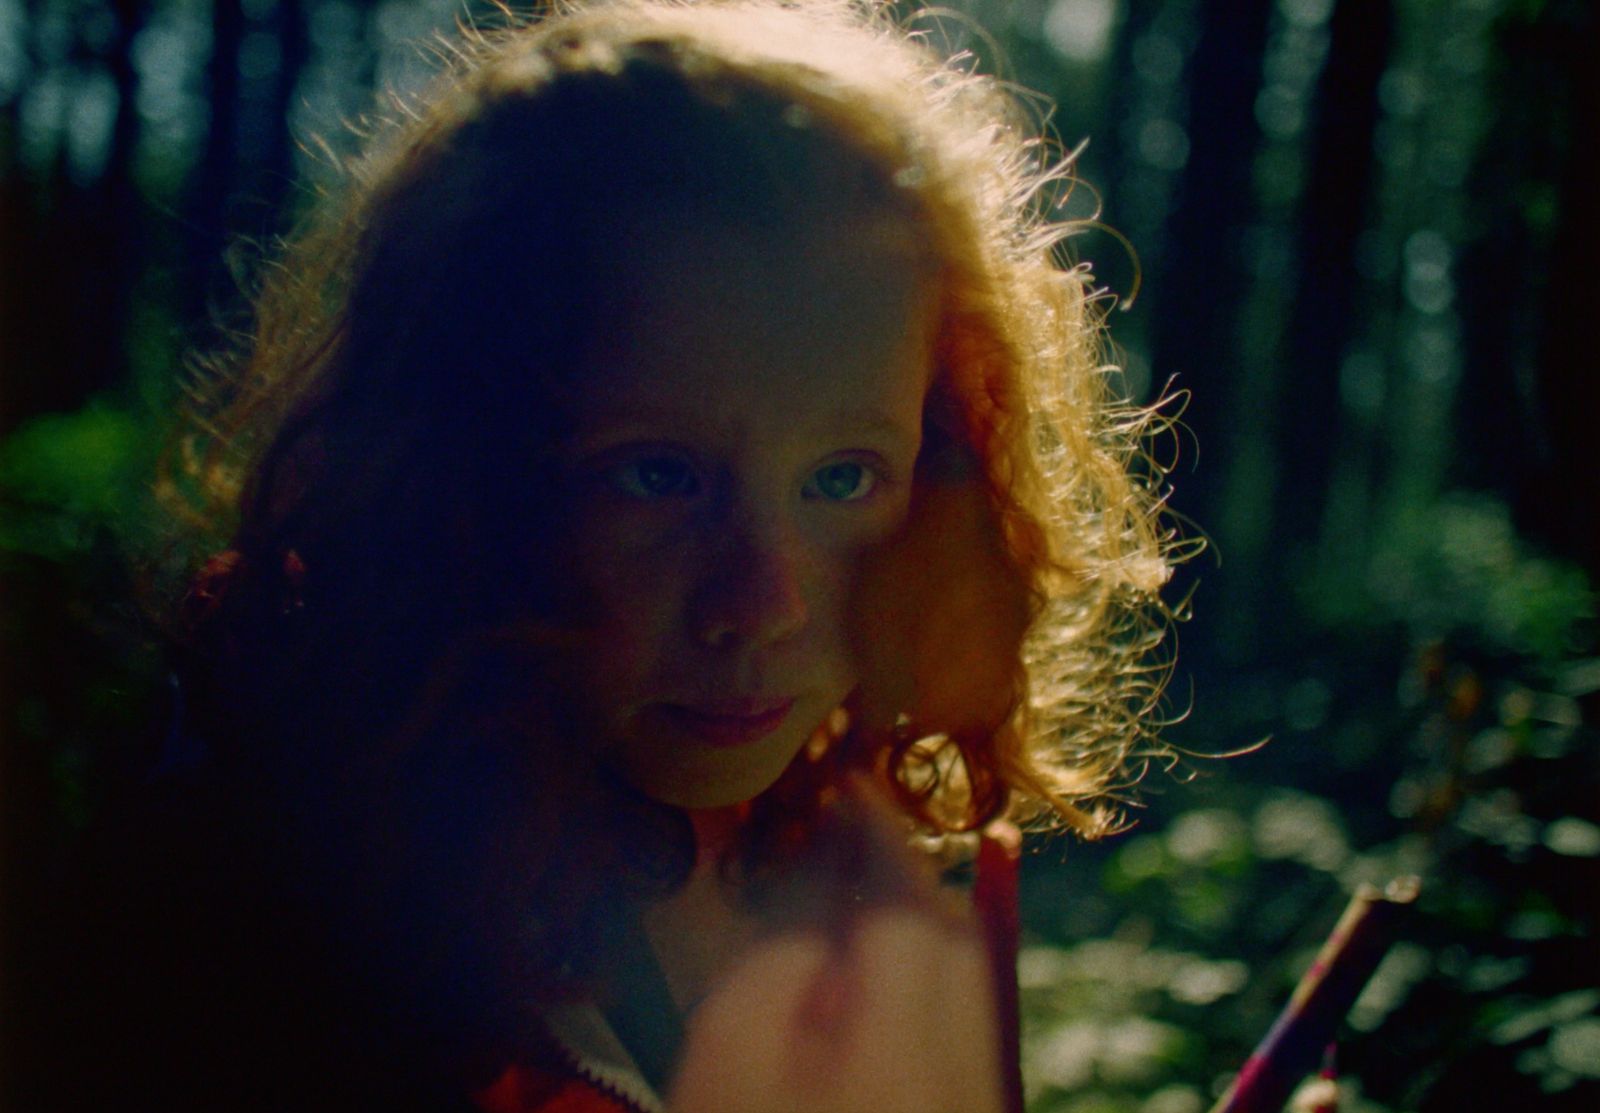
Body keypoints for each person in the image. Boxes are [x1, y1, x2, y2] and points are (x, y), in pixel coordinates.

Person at [52, 2, 1178, 1110]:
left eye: (841, 478)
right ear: (452, 462)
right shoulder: (257, 924)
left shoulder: (807, 831)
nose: (763, 603)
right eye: (657, 474)